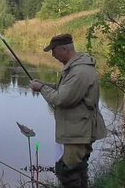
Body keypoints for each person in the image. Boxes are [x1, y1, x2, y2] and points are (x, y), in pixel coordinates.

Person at [30, 34, 107, 188]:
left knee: (68, 171)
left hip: (77, 132)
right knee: (77, 169)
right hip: (76, 130)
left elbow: (61, 99)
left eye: (54, 51)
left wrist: (42, 88)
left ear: (64, 49)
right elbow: (67, 91)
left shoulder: (79, 72)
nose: (52, 55)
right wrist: (45, 85)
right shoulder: (77, 68)